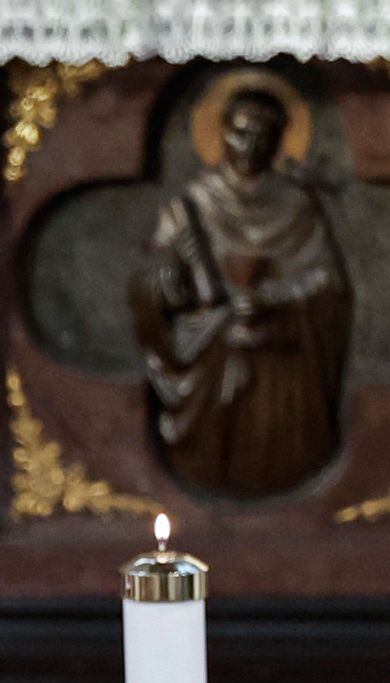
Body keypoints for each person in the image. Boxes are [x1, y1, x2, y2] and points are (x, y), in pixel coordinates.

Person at [128, 79, 352, 500]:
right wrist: (172, 277)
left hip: (284, 367)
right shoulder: (191, 206)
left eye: (265, 135)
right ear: (220, 132)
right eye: (241, 131)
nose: (251, 144)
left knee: (282, 456)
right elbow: (153, 286)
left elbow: (330, 285)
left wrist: (274, 298)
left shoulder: (297, 206)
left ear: (280, 141)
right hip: (212, 358)